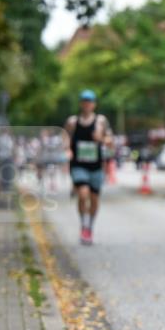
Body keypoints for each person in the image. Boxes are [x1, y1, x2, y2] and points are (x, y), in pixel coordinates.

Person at [65, 89, 112, 245]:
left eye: (89, 102)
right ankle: (84, 225)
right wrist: (67, 150)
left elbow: (110, 141)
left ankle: (90, 227)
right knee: (83, 194)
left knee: (94, 199)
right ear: (81, 104)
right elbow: (65, 138)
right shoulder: (72, 122)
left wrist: (101, 139)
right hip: (78, 165)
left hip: (96, 165)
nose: (87, 104)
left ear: (94, 104)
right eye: (84, 101)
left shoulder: (101, 121)